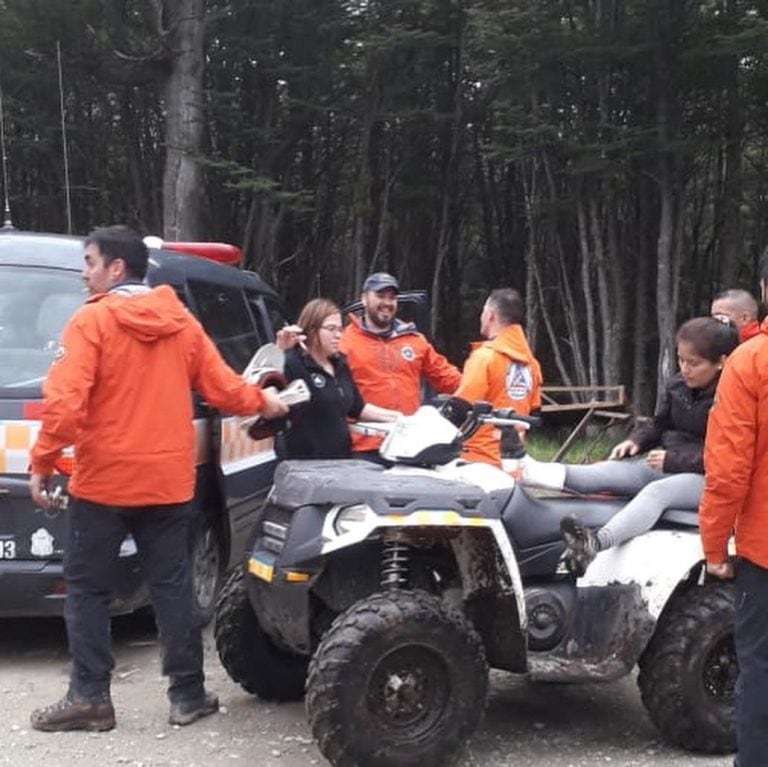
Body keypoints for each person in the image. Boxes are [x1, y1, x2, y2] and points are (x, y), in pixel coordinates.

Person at [28, 226, 288, 733]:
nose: (85, 273)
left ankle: (90, 698)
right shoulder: (181, 323)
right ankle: (187, 696)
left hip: (103, 483)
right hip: (168, 483)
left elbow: (63, 404)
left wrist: (43, 462)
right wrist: (266, 401)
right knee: (173, 589)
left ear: (116, 269)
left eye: (90, 262)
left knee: (86, 590)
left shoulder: (91, 322)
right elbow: (226, 388)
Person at [517, 317, 738, 576]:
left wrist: (672, 461)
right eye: (681, 360)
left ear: (721, 362)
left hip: (712, 478)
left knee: (657, 493)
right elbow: (659, 424)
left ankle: (594, 544)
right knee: (607, 472)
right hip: (667, 461)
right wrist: (635, 441)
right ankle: (525, 471)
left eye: (694, 363)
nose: (685, 369)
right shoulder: (678, 384)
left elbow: (730, 456)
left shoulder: (733, 395)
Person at [699, 258, 768, 767]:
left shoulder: (749, 362)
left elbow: (727, 471)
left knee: (761, 666)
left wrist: (714, 545)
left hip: (765, 553)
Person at [339, 272, 461, 458]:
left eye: (392, 297)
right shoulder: (345, 342)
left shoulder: (414, 340)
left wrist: (479, 388)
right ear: (364, 299)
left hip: (407, 446)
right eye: (380, 296)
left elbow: (447, 377)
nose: (387, 303)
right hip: (363, 447)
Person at [277, 298, 399, 458]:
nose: (338, 335)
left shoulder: (340, 363)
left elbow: (358, 408)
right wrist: (278, 353)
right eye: (331, 329)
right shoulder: (293, 363)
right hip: (305, 467)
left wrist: (401, 419)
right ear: (312, 331)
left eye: (340, 330)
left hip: (340, 463)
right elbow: (274, 403)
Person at [454, 288, 543, 467]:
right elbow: (534, 413)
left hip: (478, 462)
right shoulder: (532, 364)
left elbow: (460, 409)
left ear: (490, 315)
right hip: (513, 462)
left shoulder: (484, 357)